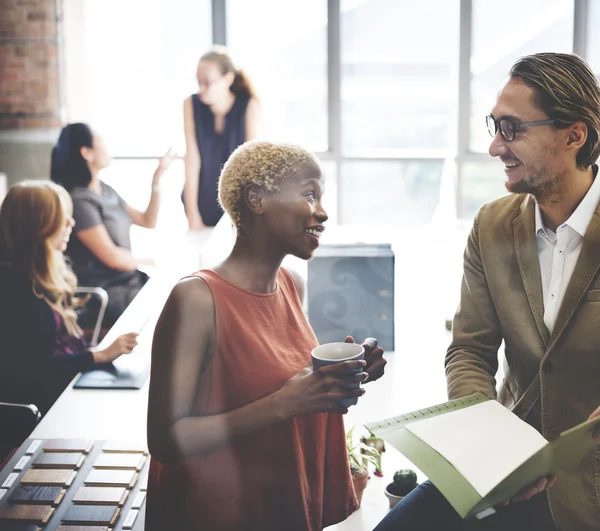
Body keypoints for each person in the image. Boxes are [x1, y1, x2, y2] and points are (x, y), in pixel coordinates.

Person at [374, 52, 600, 531]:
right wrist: (487, 443)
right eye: (494, 127)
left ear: (573, 135)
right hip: (506, 468)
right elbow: (470, 351)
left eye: (513, 129)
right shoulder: (492, 225)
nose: (496, 147)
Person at [146, 140, 386, 531]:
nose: (322, 212)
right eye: (310, 194)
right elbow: (166, 439)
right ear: (257, 199)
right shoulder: (195, 298)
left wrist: (342, 374)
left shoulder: (291, 285)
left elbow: (282, 383)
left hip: (277, 505)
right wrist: (284, 403)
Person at [0, 181, 138, 415]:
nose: (71, 224)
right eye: (60, 218)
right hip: (46, 405)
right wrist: (98, 356)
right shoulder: (16, 290)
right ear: (37, 225)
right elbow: (36, 371)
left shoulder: (44, 273)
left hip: (67, 381)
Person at [50, 122, 176, 327]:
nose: (107, 147)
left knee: (177, 295)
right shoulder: (80, 202)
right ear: (87, 153)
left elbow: (148, 221)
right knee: (170, 307)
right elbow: (113, 259)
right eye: (102, 142)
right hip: (105, 291)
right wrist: (149, 260)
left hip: (129, 281)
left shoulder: (106, 190)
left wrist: (157, 178)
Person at [182, 45, 260, 230]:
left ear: (228, 79)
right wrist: (192, 215)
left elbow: (251, 164)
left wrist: (248, 214)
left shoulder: (249, 105)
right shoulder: (190, 104)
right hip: (202, 201)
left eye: (208, 82)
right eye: (198, 81)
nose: (202, 88)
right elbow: (192, 160)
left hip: (239, 201)